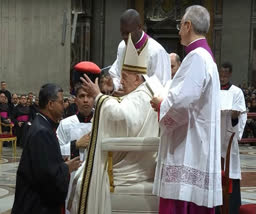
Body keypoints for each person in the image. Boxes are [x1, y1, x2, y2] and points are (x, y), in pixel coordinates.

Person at [69, 33, 162, 213]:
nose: (121, 80)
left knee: (84, 183)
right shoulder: (146, 91)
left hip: (131, 168)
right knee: (81, 177)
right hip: (137, 159)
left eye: (125, 76)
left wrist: (98, 96)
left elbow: (123, 115)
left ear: (137, 78)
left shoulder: (141, 95)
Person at [150, 5, 221, 213]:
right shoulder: (206, 57)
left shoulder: (197, 57)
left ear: (188, 25)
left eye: (180, 25)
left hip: (187, 148)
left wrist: (160, 104)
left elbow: (183, 101)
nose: (179, 29)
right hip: (196, 142)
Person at [11, 83, 81, 214]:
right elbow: (46, 176)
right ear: (50, 104)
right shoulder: (42, 131)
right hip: (36, 206)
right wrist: (67, 168)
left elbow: (44, 164)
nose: (63, 106)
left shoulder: (42, 124)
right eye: (60, 102)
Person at [109, 9, 170, 95]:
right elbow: (117, 75)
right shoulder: (122, 46)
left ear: (139, 27)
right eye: (122, 33)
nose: (124, 37)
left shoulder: (156, 51)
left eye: (128, 33)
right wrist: (112, 85)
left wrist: (131, 93)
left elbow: (161, 87)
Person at [219, 62, 247, 214]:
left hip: (229, 134)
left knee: (230, 170)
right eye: (220, 75)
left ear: (230, 74)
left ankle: (232, 207)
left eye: (225, 75)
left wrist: (235, 116)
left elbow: (241, 114)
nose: (222, 78)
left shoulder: (237, 92)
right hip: (215, 137)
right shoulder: (213, 90)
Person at [57, 83, 93, 161]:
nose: (85, 100)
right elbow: (56, 152)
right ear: (76, 100)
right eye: (82, 96)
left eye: (89, 96)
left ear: (94, 99)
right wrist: (75, 145)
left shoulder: (101, 122)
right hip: (73, 171)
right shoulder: (65, 124)